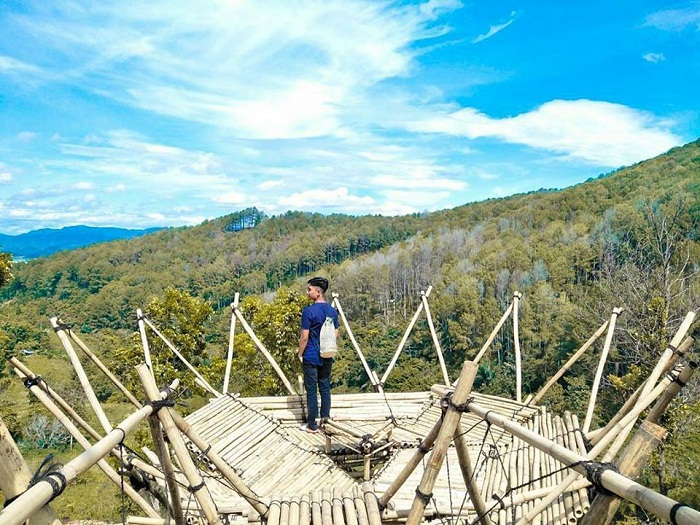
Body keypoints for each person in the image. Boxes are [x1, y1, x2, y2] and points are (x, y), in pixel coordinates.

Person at [298, 276, 338, 433]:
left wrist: (300, 353)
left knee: (311, 390)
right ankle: (325, 420)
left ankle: (312, 425)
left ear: (318, 291)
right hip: (327, 354)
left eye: (310, 289)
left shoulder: (308, 311)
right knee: (325, 386)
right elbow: (336, 333)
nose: (307, 292)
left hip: (311, 355)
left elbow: (304, 337)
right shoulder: (332, 311)